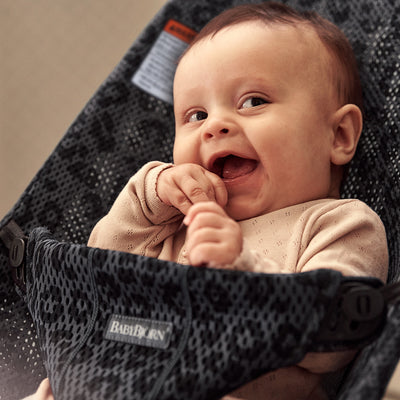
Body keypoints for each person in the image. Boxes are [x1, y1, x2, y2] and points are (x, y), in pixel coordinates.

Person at [29, 2, 388, 399]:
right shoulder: (173, 222)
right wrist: (149, 195)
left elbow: (335, 334)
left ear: (339, 136)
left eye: (253, 101)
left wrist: (241, 272)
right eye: (196, 115)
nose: (214, 126)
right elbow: (95, 282)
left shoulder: (339, 223)